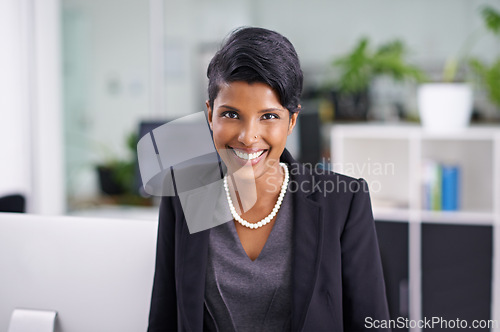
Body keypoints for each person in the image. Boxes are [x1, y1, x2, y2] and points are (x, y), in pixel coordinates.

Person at [147, 27, 390, 332]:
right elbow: (164, 320)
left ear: (292, 120)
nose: (249, 137)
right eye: (231, 115)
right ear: (210, 115)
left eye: (269, 116)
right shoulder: (185, 195)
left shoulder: (343, 202)